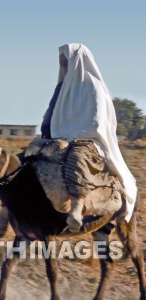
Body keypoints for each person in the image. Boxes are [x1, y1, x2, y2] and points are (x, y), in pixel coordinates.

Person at [41, 43, 137, 231]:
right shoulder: (62, 87)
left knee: (77, 158)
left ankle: (77, 207)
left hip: (88, 139)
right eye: (61, 59)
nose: (62, 63)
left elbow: (97, 120)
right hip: (59, 137)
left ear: (77, 60)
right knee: (24, 160)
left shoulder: (94, 86)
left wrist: (76, 134)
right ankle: (4, 216)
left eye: (65, 59)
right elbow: (50, 114)